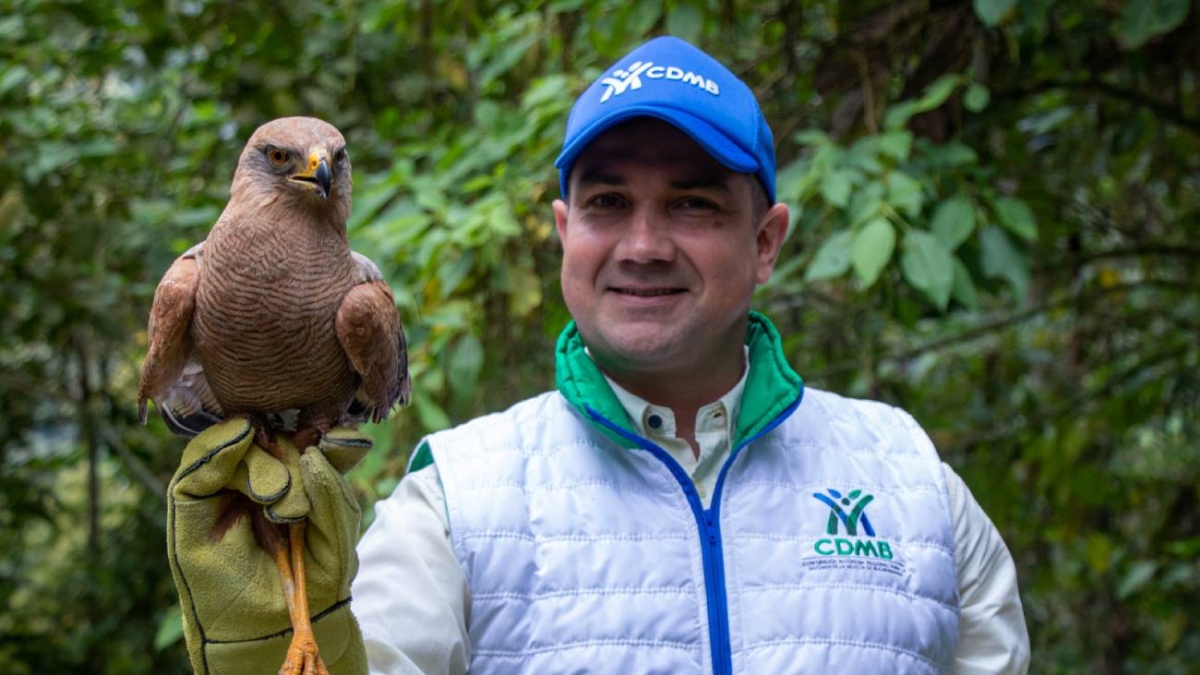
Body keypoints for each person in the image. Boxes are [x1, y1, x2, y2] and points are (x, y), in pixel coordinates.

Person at [167, 36, 1030, 675]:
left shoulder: (911, 483)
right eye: (609, 202)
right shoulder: (457, 499)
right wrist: (270, 645)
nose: (644, 246)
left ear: (766, 242)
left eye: (693, 204)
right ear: (563, 231)